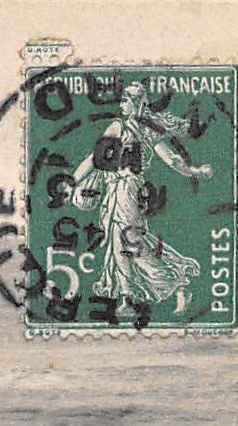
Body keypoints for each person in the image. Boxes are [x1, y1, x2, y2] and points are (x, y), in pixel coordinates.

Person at [69, 84, 214, 313]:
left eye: (125, 100)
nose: (121, 105)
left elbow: (171, 160)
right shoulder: (135, 128)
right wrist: (72, 181)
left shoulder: (127, 128)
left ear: (137, 102)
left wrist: (194, 172)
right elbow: (96, 157)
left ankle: (177, 286)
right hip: (116, 191)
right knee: (120, 243)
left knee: (130, 244)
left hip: (127, 190)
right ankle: (126, 298)